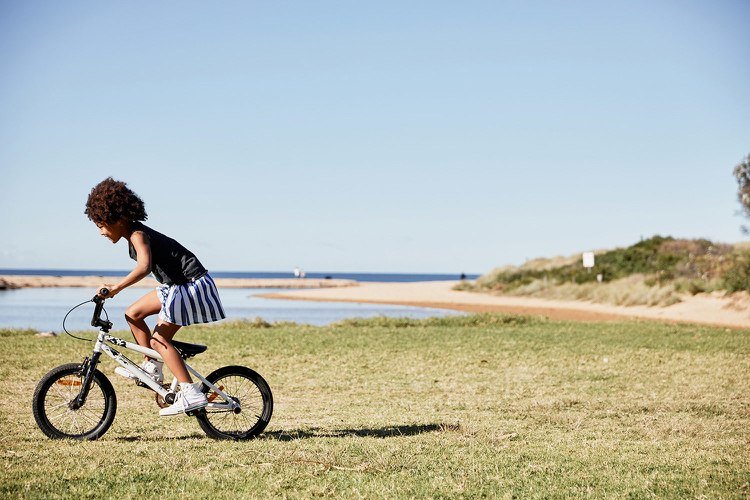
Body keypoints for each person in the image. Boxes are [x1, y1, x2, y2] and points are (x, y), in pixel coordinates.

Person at [84, 177, 226, 416]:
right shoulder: (132, 235)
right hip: (176, 286)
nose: (100, 231)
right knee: (133, 314)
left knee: (159, 341)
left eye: (101, 224)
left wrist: (116, 288)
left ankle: (191, 392)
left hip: (190, 285)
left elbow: (144, 266)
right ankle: (152, 366)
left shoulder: (138, 234)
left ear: (117, 219)